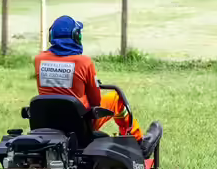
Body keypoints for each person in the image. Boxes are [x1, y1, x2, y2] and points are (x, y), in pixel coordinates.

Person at [35, 15, 162, 158]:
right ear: (76, 36)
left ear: (51, 36)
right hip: (79, 125)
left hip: (48, 123)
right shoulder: (84, 62)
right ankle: (138, 142)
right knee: (115, 98)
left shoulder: (39, 60)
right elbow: (95, 101)